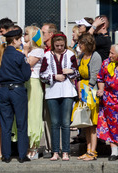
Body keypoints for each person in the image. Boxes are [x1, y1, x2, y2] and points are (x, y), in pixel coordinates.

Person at [40, 32, 79, 161]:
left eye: (62, 45)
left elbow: (77, 73)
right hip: (52, 92)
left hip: (67, 91)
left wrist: (71, 71)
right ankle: (55, 151)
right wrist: (54, 77)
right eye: (57, 45)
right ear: (53, 45)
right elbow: (42, 75)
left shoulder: (70, 55)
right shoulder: (47, 56)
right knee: (55, 123)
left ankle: (66, 151)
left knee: (66, 123)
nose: (60, 48)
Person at [0, 29, 31, 163]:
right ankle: (22, 155)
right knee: (21, 123)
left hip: (4, 90)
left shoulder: (0, 56)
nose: (21, 42)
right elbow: (26, 76)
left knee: (5, 124)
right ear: (14, 40)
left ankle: (6, 155)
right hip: (17, 90)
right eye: (19, 39)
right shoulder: (19, 56)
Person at [74, 33, 102, 161]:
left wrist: (86, 91)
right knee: (86, 123)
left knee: (92, 123)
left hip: (91, 89)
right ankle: (87, 149)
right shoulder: (81, 56)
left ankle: (93, 151)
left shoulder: (95, 56)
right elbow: (79, 75)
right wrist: (79, 91)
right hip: (83, 88)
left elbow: (94, 76)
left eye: (81, 43)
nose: (79, 46)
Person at [22, 26, 45, 160]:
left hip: (34, 83)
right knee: (26, 115)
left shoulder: (38, 51)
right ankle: (26, 144)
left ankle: (34, 146)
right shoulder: (28, 50)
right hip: (25, 83)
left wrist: (25, 52)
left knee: (34, 114)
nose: (23, 37)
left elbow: (27, 64)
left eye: (26, 34)